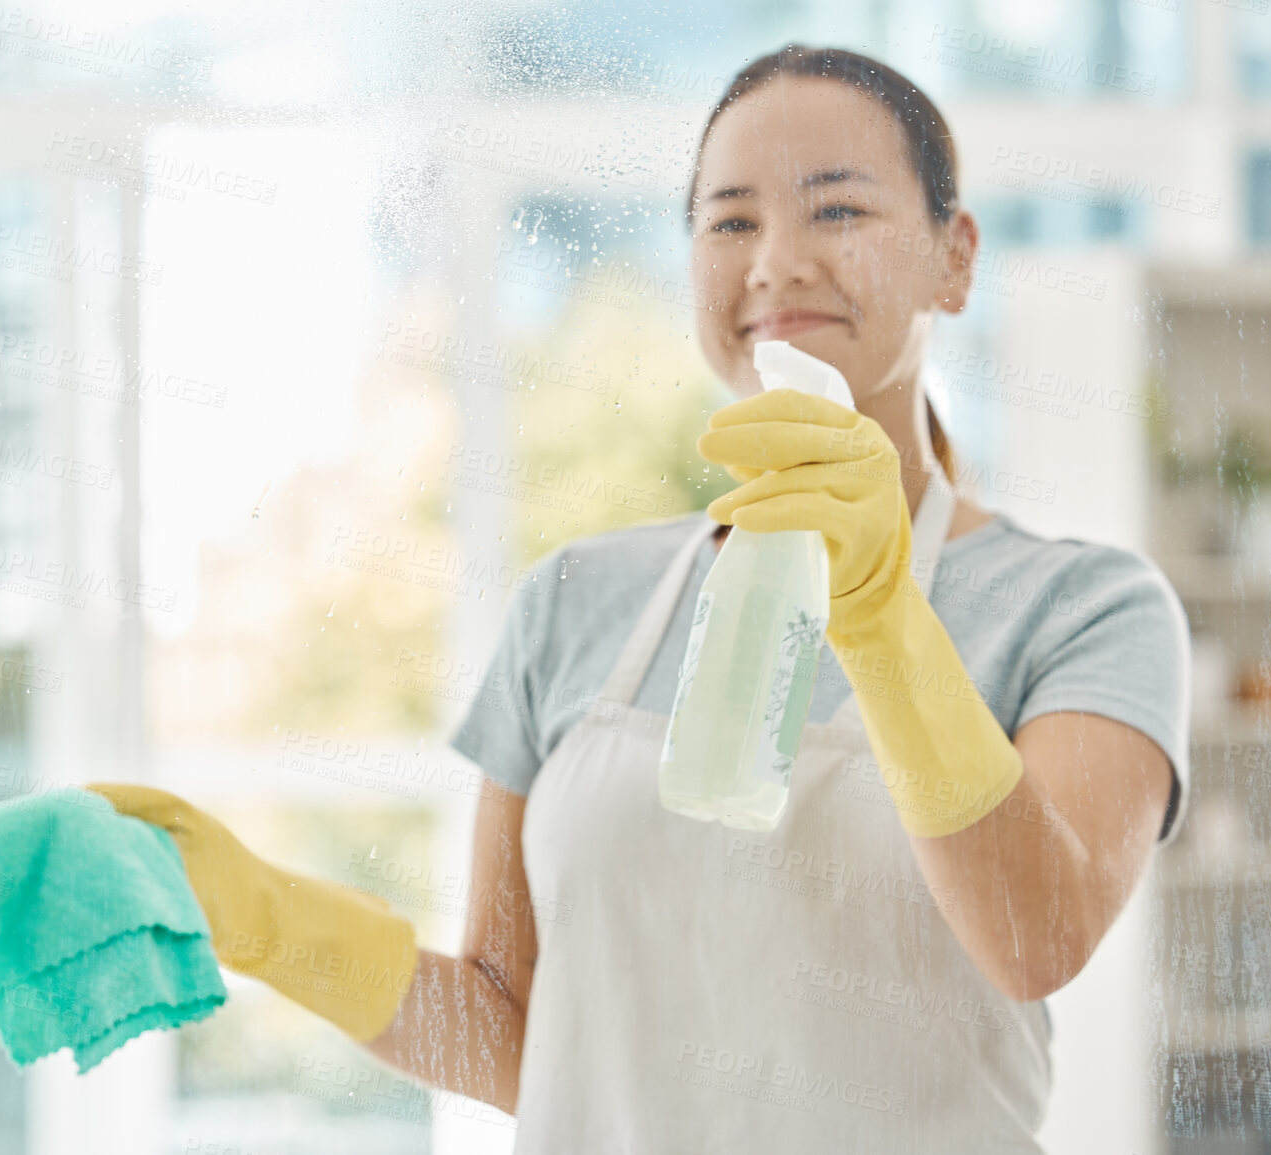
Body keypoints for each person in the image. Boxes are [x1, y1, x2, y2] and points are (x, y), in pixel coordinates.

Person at [90, 43, 1191, 1154]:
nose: (777, 262)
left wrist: (879, 611)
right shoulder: (575, 601)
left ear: (955, 260)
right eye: (729, 222)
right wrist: (261, 914)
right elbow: (514, 1029)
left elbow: (1038, 937)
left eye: (839, 210)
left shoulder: (1084, 608)